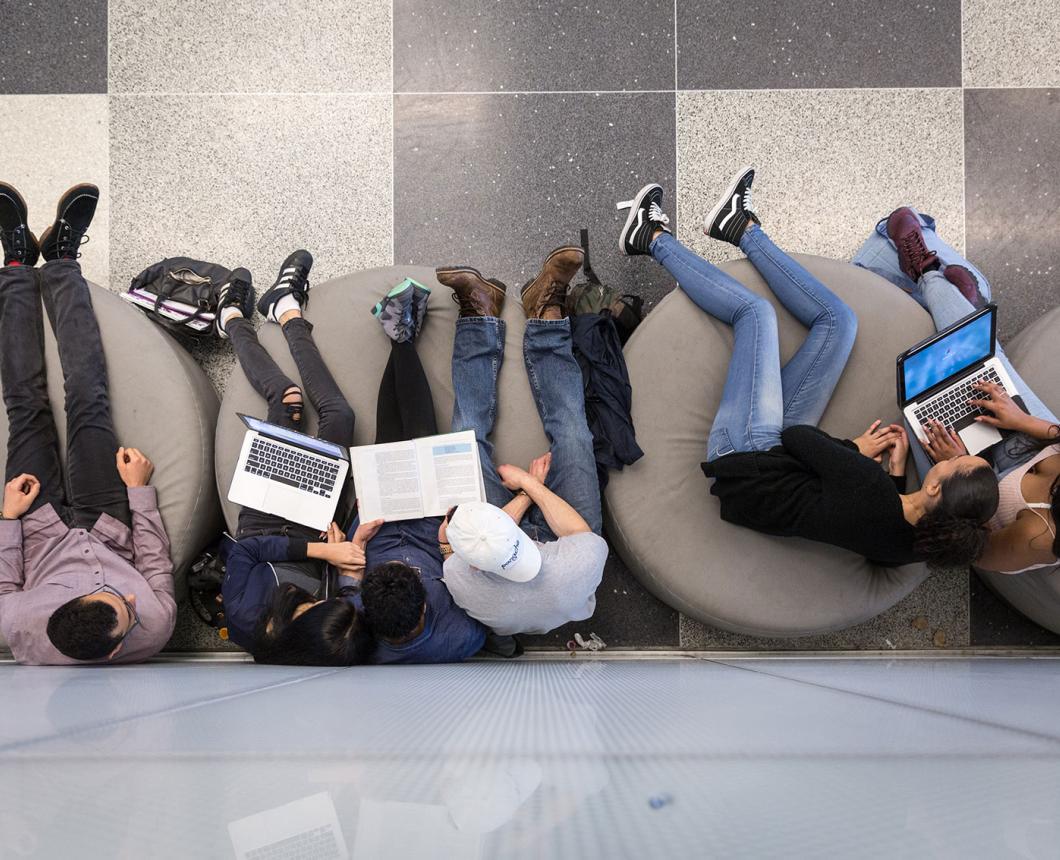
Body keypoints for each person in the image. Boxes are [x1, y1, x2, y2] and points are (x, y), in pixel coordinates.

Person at [616, 168, 999, 568]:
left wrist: (856, 449)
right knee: (840, 322)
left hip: (746, 459)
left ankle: (650, 239)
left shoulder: (866, 483)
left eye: (956, 459)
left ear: (935, 484)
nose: (952, 451)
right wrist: (897, 471)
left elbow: (798, 436)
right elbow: (882, 528)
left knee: (754, 313)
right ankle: (739, 226)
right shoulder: (915, 546)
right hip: (779, 472)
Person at [0, 181, 175, 664]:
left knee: (26, 407)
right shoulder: (155, 626)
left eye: (124, 602)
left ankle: (16, 267)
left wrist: (9, 519)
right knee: (87, 400)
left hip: (38, 527)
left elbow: (5, 582)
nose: (134, 599)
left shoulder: (20, 629)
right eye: (127, 610)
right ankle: (61, 261)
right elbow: (154, 564)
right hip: (108, 520)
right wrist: (139, 492)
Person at [215, 250, 384, 664]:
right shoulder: (340, 632)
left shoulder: (245, 618)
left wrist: (321, 554)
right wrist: (343, 553)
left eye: (311, 607)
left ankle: (233, 321)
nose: (315, 601)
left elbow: (245, 553)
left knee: (287, 398)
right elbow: (346, 589)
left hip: (264, 521)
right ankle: (286, 311)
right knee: (340, 415)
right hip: (315, 523)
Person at [432, 250, 609, 636]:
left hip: (490, 549)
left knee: (462, 440)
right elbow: (578, 534)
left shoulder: (464, 581)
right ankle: (545, 313)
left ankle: (479, 315)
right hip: (568, 543)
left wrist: (521, 499)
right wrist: (530, 486)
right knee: (574, 433)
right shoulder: (579, 571)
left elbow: (449, 544)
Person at [876, 209, 1058, 574]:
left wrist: (962, 468)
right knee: (985, 363)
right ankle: (926, 274)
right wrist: (1021, 419)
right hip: (1031, 436)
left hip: (982, 489)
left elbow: (977, 551)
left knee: (923, 393)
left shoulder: (1036, 539)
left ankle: (947, 294)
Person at [351, 279, 488, 664]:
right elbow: (481, 605)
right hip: (435, 527)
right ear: (426, 607)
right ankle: (401, 335)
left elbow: (346, 583)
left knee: (389, 442)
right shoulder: (459, 638)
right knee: (422, 439)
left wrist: (356, 539)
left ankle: (401, 335)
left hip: (378, 527)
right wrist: (447, 548)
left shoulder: (360, 634)